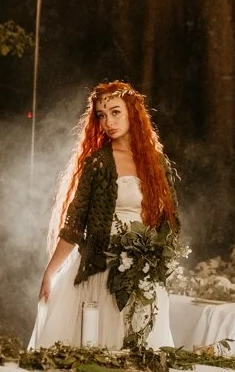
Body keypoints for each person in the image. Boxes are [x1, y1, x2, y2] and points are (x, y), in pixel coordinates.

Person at [30, 81, 181, 349]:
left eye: (115, 112)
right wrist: (50, 272)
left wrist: (155, 259)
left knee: (139, 353)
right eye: (101, 115)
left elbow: (168, 224)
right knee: (96, 347)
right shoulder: (98, 163)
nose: (108, 121)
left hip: (141, 271)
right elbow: (74, 225)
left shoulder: (156, 164)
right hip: (101, 268)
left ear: (132, 113)